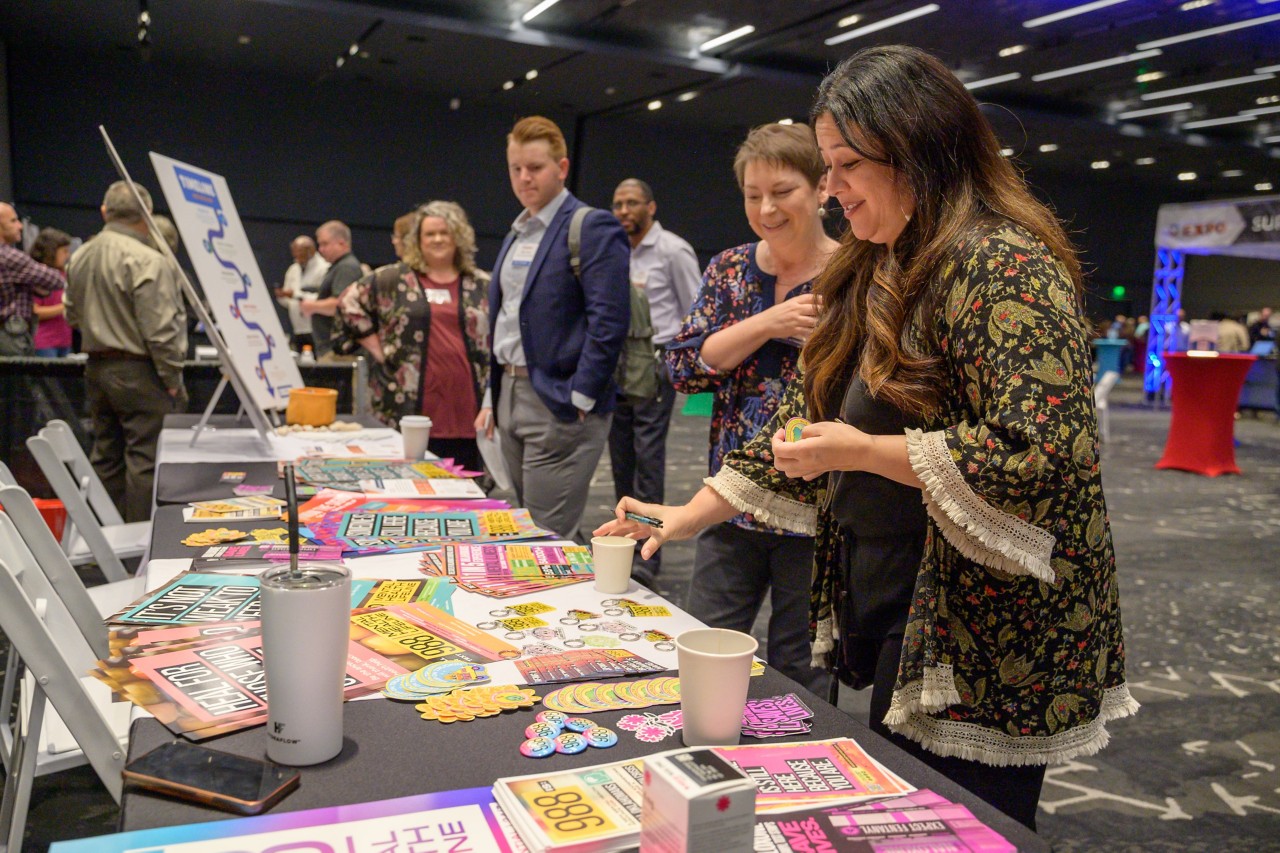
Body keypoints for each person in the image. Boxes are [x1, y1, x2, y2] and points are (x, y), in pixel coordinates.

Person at [598, 45, 1135, 830]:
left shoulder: (1004, 263)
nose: (832, 187)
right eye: (827, 166)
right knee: (906, 812)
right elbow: (802, 418)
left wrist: (862, 452)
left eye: (847, 165)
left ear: (916, 152)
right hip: (901, 599)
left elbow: (1046, 452)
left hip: (989, 630)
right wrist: (688, 513)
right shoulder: (875, 260)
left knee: (965, 824)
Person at [662, 123, 837, 695]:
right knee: (703, 647)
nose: (766, 209)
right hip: (730, 499)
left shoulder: (854, 272)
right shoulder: (730, 269)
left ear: (821, 188)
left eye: (782, 191)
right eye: (752, 194)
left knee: (804, 671)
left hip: (816, 511)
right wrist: (767, 323)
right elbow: (683, 367)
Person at [475, 115, 630, 541]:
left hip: (559, 398)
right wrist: (492, 394)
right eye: (516, 168)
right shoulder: (518, 231)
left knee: (545, 535)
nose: (524, 177)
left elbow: (609, 321)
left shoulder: (591, 226)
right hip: (509, 394)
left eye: (535, 167)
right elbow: (507, 318)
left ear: (561, 168)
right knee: (527, 524)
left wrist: (581, 396)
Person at [65, 181, 187, 523]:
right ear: (146, 214)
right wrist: (172, 378)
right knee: (146, 459)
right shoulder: (149, 260)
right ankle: (141, 541)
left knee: (106, 455)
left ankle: (103, 539)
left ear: (105, 212)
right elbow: (160, 331)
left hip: (95, 368)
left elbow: (71, 315)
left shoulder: (80, 255)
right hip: (139, 371)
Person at [337, 201, 490, 471]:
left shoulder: (481, 284)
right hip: (406, 411)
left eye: (445, 232)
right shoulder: (393, 279)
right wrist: (377, 348)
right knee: (408, 486)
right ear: (417, 240)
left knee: (466, 488)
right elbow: (348, 302)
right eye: (430, 234)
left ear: (459, 237)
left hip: (467, 411)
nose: (438, 239)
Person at [606, 178, 701, 587]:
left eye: (632, 203)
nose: (624, 211)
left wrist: (676, 364)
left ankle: (648, 556)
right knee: (620, 458)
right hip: (619, 364)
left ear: (651, 207)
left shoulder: (672, 250)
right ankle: (622, 541)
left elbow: (696, 312)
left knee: (647, 460)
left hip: (656, 364)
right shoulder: (613, 248)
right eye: (617, 204)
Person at [0, 202, 65, 356]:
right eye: (13, 221)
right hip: (11, 335)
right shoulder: (10, 257)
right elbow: (56, 280)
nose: (20, 226)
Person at [302, 220, 362, 359]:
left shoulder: (346, 268)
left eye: (325, 244)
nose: (320, 249)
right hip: (333, 350)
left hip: (338, 352)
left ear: (341, 243)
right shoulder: (339, 266)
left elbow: (340, 304)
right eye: (320, 244)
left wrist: (311, 306)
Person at [275, 235, 330, 352]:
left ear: (311, 250)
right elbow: (288, 302)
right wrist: (282, 296)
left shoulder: (324, 268)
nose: (296, 256)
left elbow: (324, 299)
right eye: (294, 252)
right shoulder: (293, 269)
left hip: (316, 327)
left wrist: (296, 295)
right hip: (298, 328)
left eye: (300, 252)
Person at [28, 227, 74, 357]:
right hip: (44, 343)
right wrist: (66, 306)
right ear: (51, 251)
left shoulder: (64, 274)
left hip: (65, 341)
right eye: (64, 251)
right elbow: (35, 312)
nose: (67, 255)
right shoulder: (37, 275)